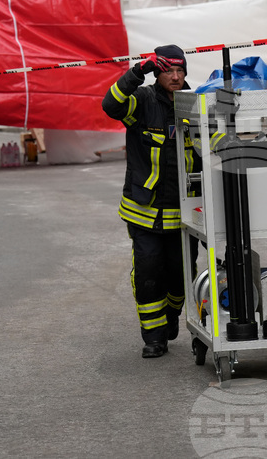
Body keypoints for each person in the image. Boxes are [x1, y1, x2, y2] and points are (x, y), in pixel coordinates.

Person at [102, 45, 201, 359]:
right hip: (143, 212)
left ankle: (171, 316)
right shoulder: (143, 100)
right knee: (148, 276)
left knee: (179, 276)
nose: (174, 77)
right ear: (157, 72)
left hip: (183, 214)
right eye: (168, 71)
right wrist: (135, 72)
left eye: (179, 71)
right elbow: (111, 105)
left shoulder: (194, 103)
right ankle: (154, 338)